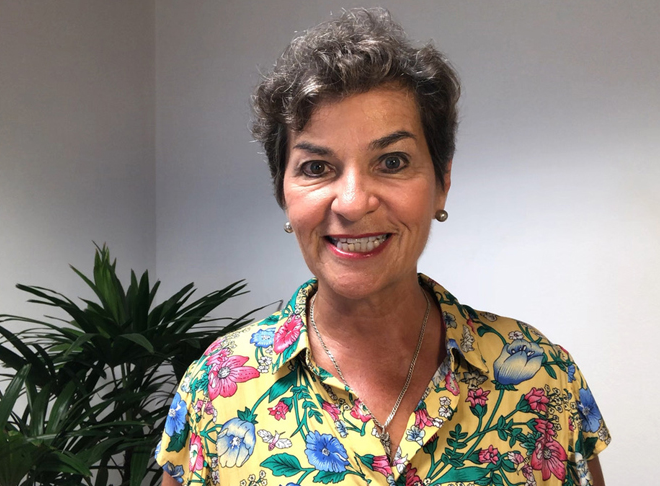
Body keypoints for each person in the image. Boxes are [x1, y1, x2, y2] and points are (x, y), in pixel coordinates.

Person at [156, 8, 609, 486]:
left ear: (442, 183)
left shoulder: (540, 377)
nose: (353, 203)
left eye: (392, 162)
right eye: (316, 168)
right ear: (282, 193)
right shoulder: (216, 388)